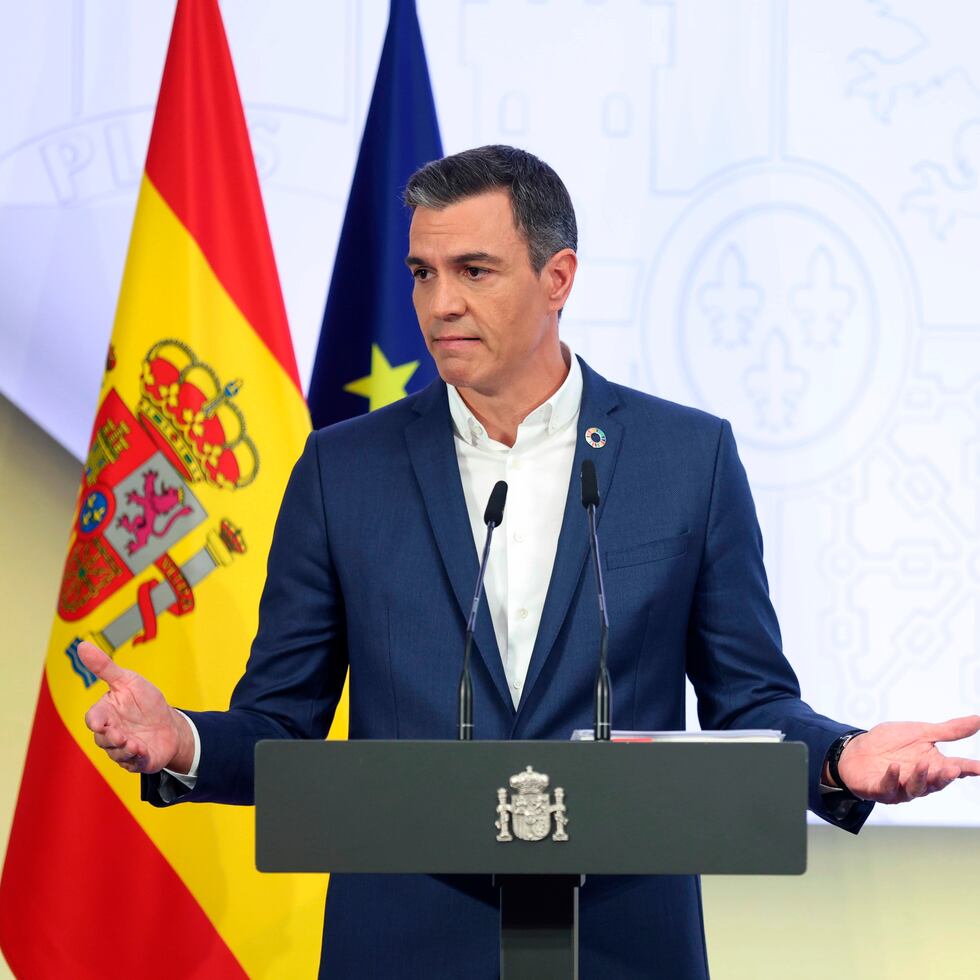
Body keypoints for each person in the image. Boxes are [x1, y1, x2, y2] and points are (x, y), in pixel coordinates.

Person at [80, 145, 980, 979]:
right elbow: (282, 721)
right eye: (424, 274)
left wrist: (842, 756)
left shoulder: (687, 459)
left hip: (622, 944)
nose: (440, 304)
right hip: (400, 948)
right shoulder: (341, 471)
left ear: (558, 279)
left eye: (474, 271)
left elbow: (750, 699)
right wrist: (184, 742)